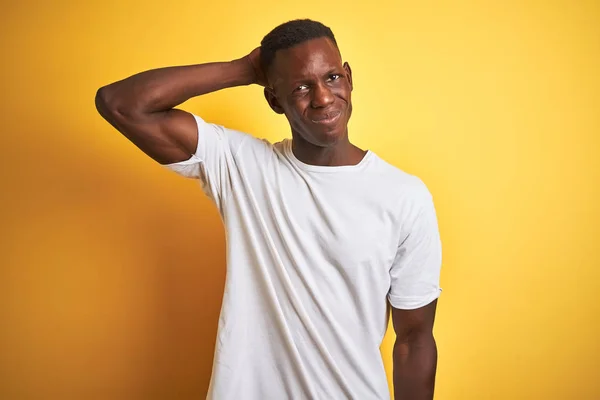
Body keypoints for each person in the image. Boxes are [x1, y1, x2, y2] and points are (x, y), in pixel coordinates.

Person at [95, 18, 442, 400]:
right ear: (275, 99)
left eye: (331, 78)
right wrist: (243, 69)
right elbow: (121, 104)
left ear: (348, 78)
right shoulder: (242, 165)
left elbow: (414, 338)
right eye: (301, 87)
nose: (323, 98)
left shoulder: (404, 195)